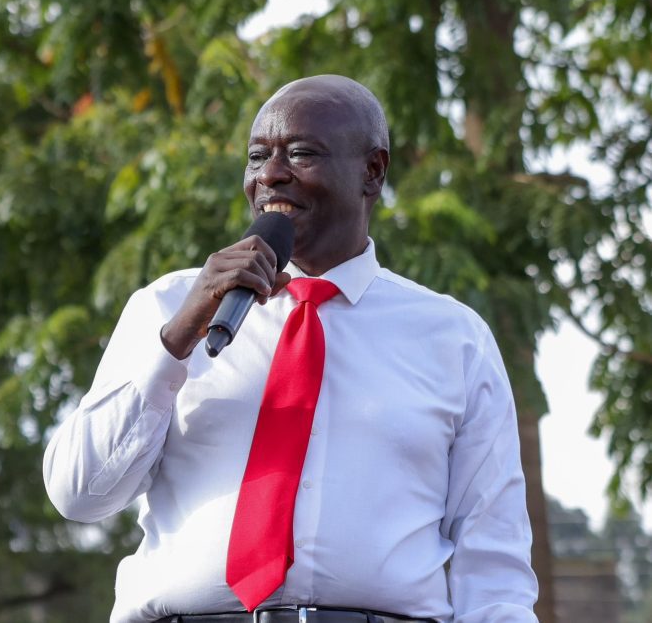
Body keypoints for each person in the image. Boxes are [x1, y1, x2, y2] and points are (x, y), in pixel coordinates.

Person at [43, 75, 539, 623]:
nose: (271, 174)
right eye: (257, 156)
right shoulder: (168, 307)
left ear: (372, 172)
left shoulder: (453, 337)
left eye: (301, 153)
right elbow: (79, 495)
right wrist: (177, 339)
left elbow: (493, 563)